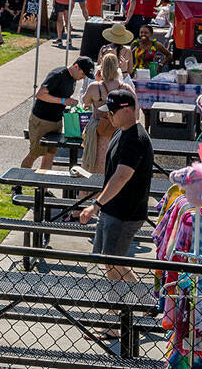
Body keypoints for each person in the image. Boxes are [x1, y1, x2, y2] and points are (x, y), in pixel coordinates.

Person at [78, 89, 153, 280]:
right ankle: (117, 304)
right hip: (112, 209)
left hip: (126, 213)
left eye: (112, 112)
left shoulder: (136, 139)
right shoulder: (120, 132)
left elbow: (121, 176)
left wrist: (96, 205)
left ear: (128, 110)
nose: (108, 115)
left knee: (114, 260)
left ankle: (141, 302)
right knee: (108, 260)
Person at [21, 57, 94, 171]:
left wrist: (70, 102)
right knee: (34, 154)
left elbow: (60, 94)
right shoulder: (57, 74)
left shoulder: (73, 78)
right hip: (42, 119)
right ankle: (17, 186)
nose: (83, 77)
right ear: (76, 66)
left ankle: (43, 188)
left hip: (56, 121)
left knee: (50, 156)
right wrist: (64, 101)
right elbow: (40, 94)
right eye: (83, 74)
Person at [81, 55, 122, 173]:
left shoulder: (94, 87)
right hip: (116, 129)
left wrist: (97, 80)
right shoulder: (124, 87)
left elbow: (85, 101)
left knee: (93, 162)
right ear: (116, 67)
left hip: (97, 128)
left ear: (101, 68)